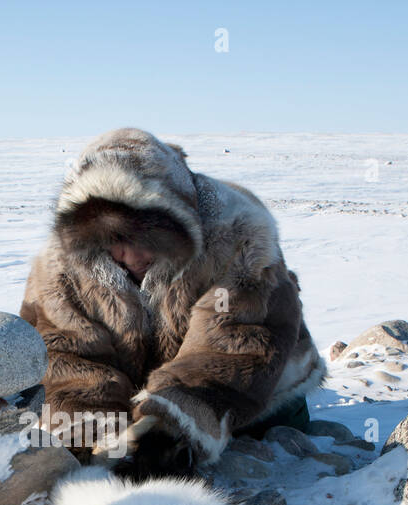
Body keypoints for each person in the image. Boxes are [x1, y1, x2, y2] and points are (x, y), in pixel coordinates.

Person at [19, 127, 325, 481]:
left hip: (255, 390)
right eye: (113, 240)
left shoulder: (237, 236)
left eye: (148, 238)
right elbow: (65, 356)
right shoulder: (60, 265)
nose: (132, 257)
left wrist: (166, 429)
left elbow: (236, 348)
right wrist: (88, 434)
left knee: (269, 434)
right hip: (135, 387)